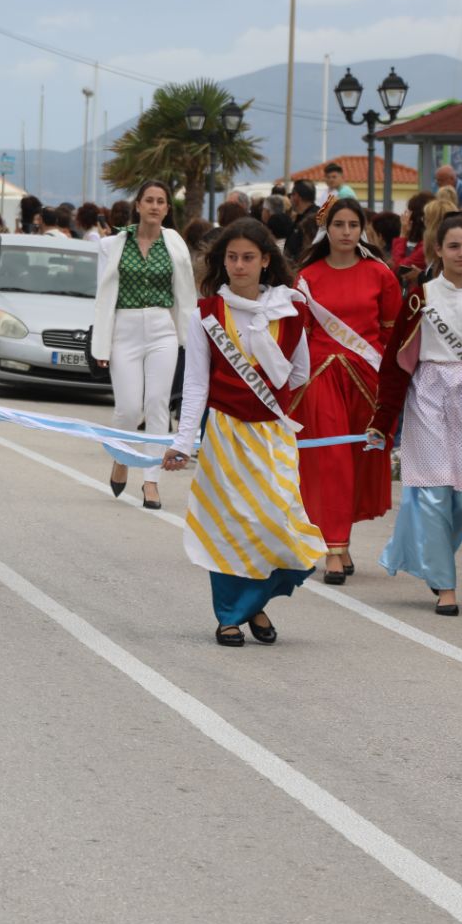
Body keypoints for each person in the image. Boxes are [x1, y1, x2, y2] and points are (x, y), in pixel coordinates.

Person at [162, 219, 323, 647]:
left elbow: (301, 372)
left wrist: (270, 388)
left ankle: (252, 603)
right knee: (230, 524)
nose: (239, 265)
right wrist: (182, 442)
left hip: (271, 435)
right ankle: (230, 615)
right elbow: (196, 383)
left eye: (248, 257)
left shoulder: (290, 310)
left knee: (276, 521)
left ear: (266, 260)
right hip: (225, 433)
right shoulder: (205, 315)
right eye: (231, 257)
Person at [368, 218, 462, 615]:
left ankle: (431, 559)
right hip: (428, 394)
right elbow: (396, 362)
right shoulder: (421, 297)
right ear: (439, 250)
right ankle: (446, 585)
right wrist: (382, 420)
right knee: (434, 490)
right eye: (454, 246)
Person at [291, 199, 401, 583]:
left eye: (354, 224)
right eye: (339, 224)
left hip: (366, 381)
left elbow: (391, 334)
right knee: (331, 460)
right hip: (320, 377)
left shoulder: (380, 274)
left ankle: (342, 540)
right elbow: (298, 336)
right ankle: (332, 551)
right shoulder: (307, 277)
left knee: (355, 462)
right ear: (327, 228)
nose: (346, 231)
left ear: (362, 229)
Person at [93, 180, 198, 510]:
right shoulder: (112, 244)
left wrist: (191, 340)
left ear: (167, 209)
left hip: (162, 328)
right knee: (127, 408)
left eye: (161, 201)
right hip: (123, 330)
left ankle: (151, 480)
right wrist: (101, 345)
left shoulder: (175, 243)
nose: (154, 206)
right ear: (137, 205)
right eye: (149, 200)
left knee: (157, 404)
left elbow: (186, 294)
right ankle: (121, 457)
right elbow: (103, 297)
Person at [285, 181, 319, 261]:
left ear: (296, 197)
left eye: (291, 195)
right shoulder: (303, 217)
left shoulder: (311, 220)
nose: (290, 199)